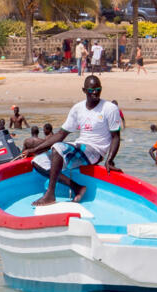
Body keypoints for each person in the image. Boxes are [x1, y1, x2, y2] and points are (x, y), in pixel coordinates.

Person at [20, 74, 124, 206]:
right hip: (80, 146)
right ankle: (77, 187)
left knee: (58, 148)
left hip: (96, 151)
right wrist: (34, 150)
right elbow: (61, 134)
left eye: (98, 89)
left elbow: (116, 137)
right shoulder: (78, 108)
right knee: (37, 162)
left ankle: (50, 195)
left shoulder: (109, 108)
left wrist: (109, 160)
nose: (95, 93)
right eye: (91, 90)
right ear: (84, 90)